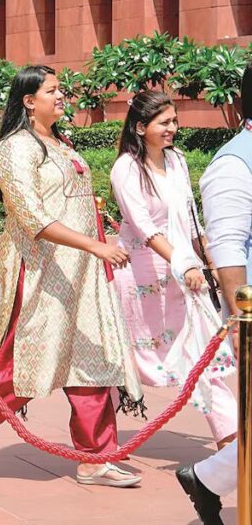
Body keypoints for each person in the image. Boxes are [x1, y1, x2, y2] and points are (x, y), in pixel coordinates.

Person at [0, 65, 143, 487]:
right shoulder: (15, 148)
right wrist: (95, 245)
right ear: (28, 101)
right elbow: (32, 216)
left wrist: (94, 245)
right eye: (52, 91)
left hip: (81, 274)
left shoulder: (60, 143)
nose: (61, 97)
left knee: (91, 360)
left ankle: (95, 457)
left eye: (61, 90)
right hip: (40, 271)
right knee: (23, 364)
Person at [111, 91, 236, 447]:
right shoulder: (126, 169)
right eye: (164, 122)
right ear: (140, 127)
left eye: (174, 121)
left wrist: (207, 260)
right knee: (122, 362)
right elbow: (144, 227)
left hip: (183, 279)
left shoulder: (177, 159)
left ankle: (231, 443)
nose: (172, 129)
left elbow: (190, 216)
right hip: (141, 278)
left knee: (202, 356)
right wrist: (184, 264)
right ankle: (98, 443)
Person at [176, 61, 252, 525]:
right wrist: (242, 323)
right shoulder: (233, 164)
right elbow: (227, 250)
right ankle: (207, 478)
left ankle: (206, 478)